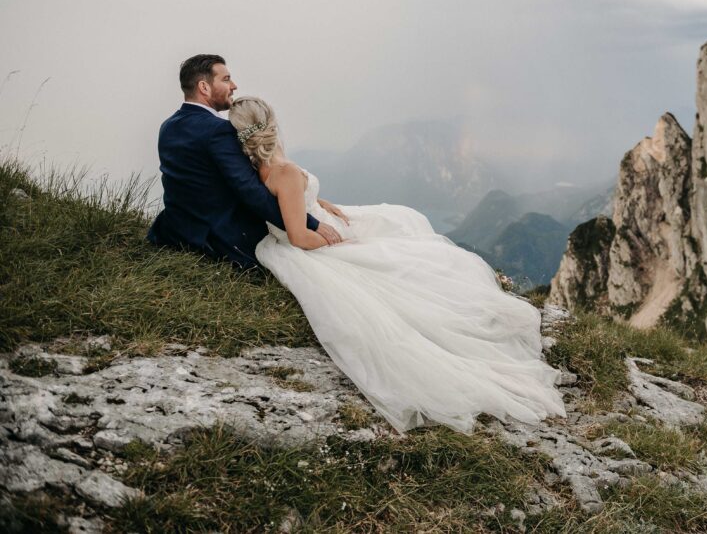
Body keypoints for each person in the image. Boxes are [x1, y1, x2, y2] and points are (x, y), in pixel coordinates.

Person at [227, 95, 566, 434]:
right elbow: (299, 235)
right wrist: (343, 242)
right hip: (318, 241)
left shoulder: (262, 167)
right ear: (271, 124)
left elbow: (289, 199)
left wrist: (318, 201)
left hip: (319, 220)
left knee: (401, 219)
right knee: (401, 244)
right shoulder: (283, 171)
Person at [147, 55, 341, 268]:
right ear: (204, 87)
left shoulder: (168, 126)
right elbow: (250, 190)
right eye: (226, 79)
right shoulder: (218, 131)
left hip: (174, 230)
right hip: (216, 239)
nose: (234, 85)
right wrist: (310, 223)